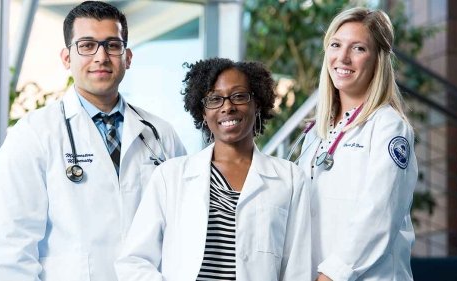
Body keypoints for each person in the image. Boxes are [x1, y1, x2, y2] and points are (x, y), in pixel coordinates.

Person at [0, 1, 186, 280]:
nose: (101, 56)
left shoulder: (161, 135)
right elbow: (11, 247)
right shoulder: (33, 134)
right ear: (67, 58)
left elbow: (183, 228)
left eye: (112, 45)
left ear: (127, 56)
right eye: (87, 45)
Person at [115, 58, 313, 281]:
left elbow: (298, 269)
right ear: (202, 112)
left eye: (239, 96)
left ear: (257, 104)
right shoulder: (170, 176)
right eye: (215, 99)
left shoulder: (290, 178)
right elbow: (134, 260)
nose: (227, 107)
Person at [296, 7, 418, 281]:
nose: (343, 57)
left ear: (378, 59)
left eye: (359, 48)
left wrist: (330, 276)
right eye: (336, 45)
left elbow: (378, 214)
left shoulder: (389, 127)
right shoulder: (316, 132)